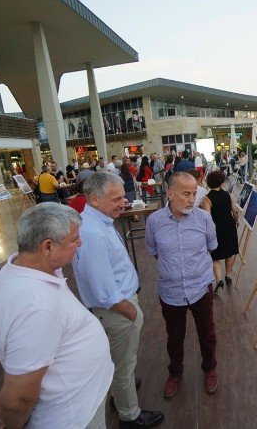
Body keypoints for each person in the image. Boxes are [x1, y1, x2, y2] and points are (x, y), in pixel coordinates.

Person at [0, 203, 113, 428]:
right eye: (74, 239)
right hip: (72, 417)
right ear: (47, 247)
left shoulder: (27, 267)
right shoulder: (35, 305)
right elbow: (17, 398)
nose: (80, 243)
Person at [73, 172, 164, 429]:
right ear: (94, 199)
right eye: (117, 199)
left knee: (122, 362)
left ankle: (121, 393)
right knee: (124, 366)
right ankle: (130, 415)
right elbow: (105, 293)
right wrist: (131, 312)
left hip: (118, 307)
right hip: (117, 311)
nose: (124, 202)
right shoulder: (93, 234)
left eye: (123, 197)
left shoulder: (98, 222)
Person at [145, 172, 219, 398]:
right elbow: (154, 251)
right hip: (171, 292)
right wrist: (175, 269)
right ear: (170, 193)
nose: (191, 199)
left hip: (200, 287)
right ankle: (175, 373)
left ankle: (210, 369)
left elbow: (211, 246)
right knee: (174, 337)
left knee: (207, 333)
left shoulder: (204, 219)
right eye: (186, 194)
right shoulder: (154, 221)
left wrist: (192, 268)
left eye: (194, 193)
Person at [200, 171, 240, 292]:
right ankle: (227, 275)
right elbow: (235, 210)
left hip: (216, 228)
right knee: (230, 251)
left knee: (215, 256)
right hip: (229, 225)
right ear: (222, 183)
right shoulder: (228, 194)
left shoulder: (206, 198)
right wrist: (236, 221)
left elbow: (207, 217)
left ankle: (218, 280)